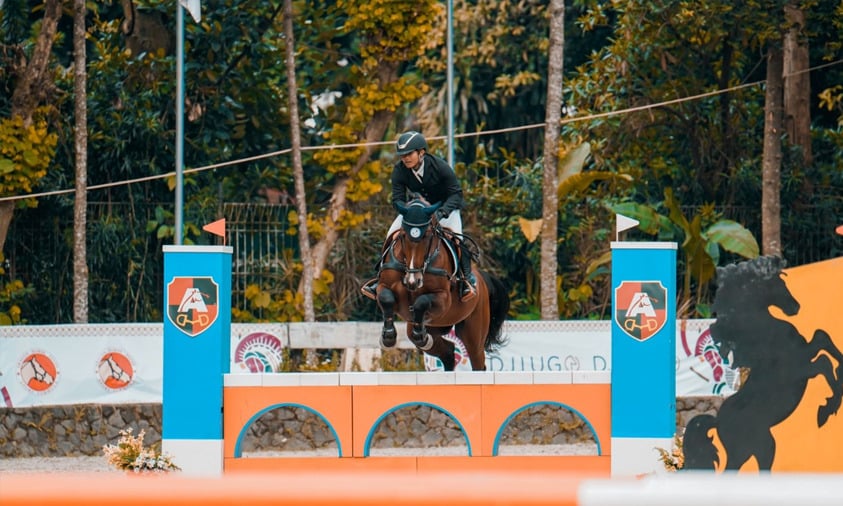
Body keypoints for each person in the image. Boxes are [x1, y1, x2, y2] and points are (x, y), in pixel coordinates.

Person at [361, 130, 477, 301]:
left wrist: (442, 212)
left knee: (458, 239)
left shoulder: (440, 166)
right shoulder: (399, 170)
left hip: (445, 208)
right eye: (402, 155)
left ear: (421, 152)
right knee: (391, 234)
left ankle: (466, 280)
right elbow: (397, 199)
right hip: (416, 211)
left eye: (409, 154)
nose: (405, 158)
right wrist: (409, 209)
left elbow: (456, 194)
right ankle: (379, 277)